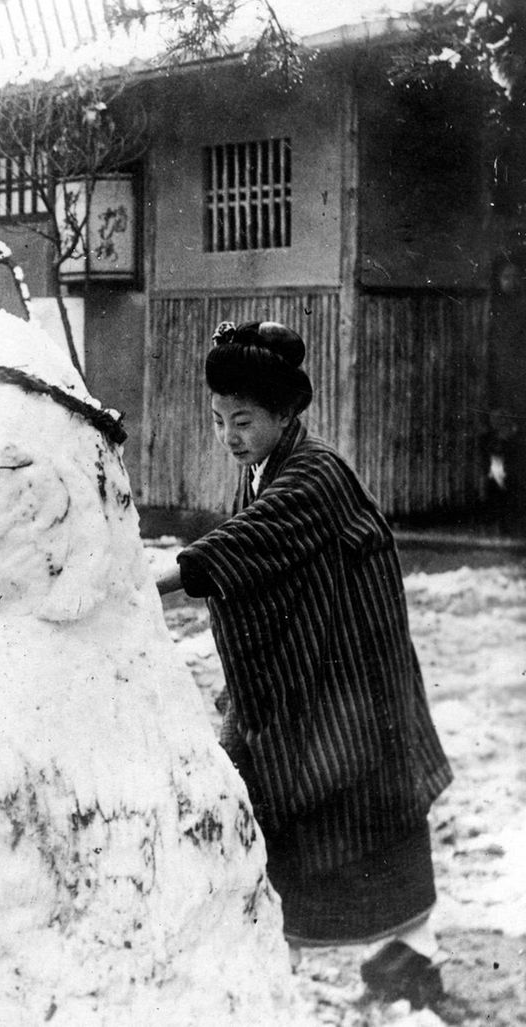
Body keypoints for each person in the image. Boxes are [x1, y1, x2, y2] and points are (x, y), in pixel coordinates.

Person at [156, 321, 453, 1009]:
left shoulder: (313, 473)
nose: (229, 434)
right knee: (284, 814)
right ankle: (269, 961)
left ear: (286, 414)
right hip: (311, 677)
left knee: (372, 816)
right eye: (219, 420)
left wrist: (145, 585)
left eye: (244, 419)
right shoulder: (267, 468)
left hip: (356, 680)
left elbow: (246, 544)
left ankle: (408, 965)